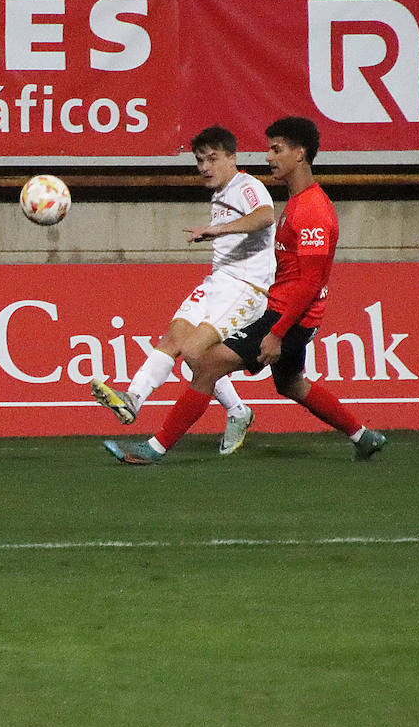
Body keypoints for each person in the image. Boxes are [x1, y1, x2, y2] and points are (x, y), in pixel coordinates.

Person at [105, 116, 386, 465]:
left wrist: (277, 333)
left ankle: (154, 448)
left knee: (206, 366)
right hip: (286, 314)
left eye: (276, 149)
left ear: (299, 154)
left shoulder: (311, 211)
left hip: (288, 319)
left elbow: (310, 282)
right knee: (291, 384)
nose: (268, 157)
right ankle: (363, 436)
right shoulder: (299, 202)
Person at [90, 125, 275, 457]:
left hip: (245, 288)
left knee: (195, 355)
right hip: (218, 281)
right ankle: (134, 398)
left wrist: (216, 230)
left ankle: (235, 412)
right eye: (199, 160)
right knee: (174, 337)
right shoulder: (220, 192)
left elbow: (265, 216)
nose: (204, 167)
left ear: (233, 158)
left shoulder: (247, 186)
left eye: (212, 159)